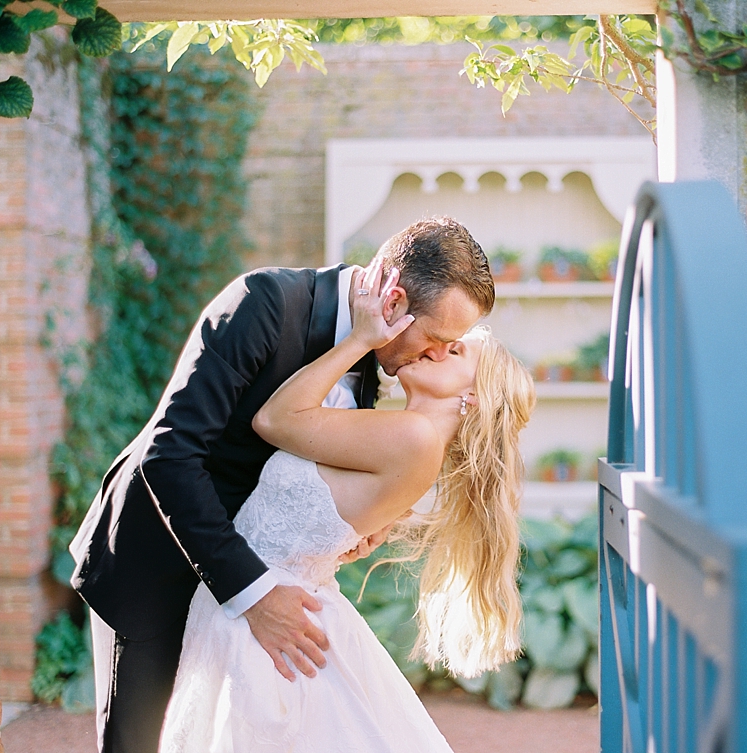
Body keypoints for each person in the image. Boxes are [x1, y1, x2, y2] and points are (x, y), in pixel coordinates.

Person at [68, 217, 495, 753]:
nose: (435, 354)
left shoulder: (374, 361)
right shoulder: (265, 303)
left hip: (239, 607)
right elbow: (168, 455)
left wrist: (354, 525)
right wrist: (254, 594)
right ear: (394, 298)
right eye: (435, 339)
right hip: (157, 565)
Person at [158, 260, 535, 751]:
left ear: (475, 398)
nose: (438, 349)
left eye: (457, 350)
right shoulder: (401, 436)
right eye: (441, 339)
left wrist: (358, 339)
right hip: (270, 604)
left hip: (269, 618)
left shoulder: (415, 437)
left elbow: (275, 419)